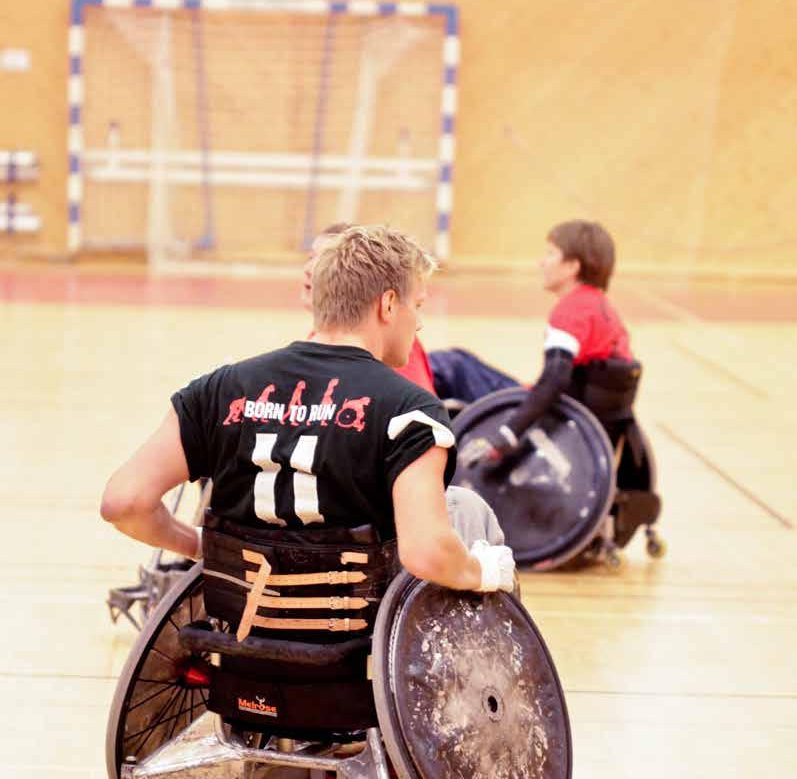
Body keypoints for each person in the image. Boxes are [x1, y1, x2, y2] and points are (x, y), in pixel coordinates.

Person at [101, 225, 515, 595]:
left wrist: (197, 545)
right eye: (418, 306)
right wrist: (486, 572)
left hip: (244, 616)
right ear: (388, 305)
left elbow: (123, 502)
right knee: (466, 509)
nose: (419, 324)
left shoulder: (217, 389)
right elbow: (426, 553)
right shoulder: (411, 409)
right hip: (354, 628)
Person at [442, 220, 640, 469]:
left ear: (571, 266)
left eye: (550, 254)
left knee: (453, 364)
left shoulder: (571, 311)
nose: (541, 262)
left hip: (546, 418)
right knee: (460, 359)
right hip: (577, 419)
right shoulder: (604, 309)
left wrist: (508, 434)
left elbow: (555, 379)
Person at [303, 222, 437, 394]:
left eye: (321, 259)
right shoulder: (311, 345)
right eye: (310, 258)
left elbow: (420, 410)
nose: (308, 269)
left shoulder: (393, 344)